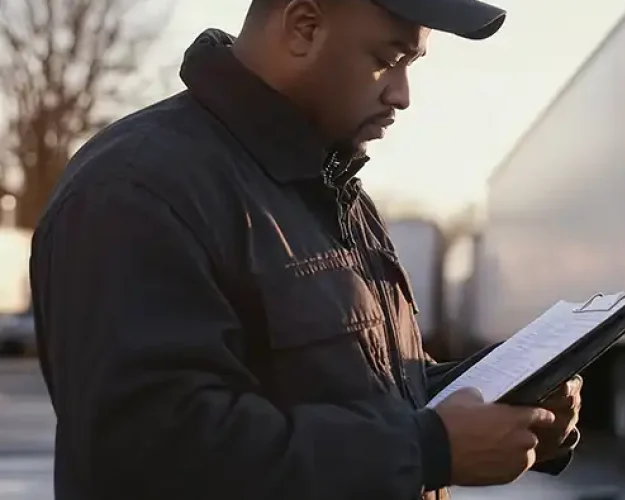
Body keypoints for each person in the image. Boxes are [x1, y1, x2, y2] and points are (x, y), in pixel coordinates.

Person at [29, 0, 582, 499]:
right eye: (388, 59)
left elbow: (362, 390)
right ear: (303, 27)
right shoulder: (137, 189)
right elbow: (156, 451)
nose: (402, 95)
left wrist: (503, 404)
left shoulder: (328, 187)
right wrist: (428, 447)